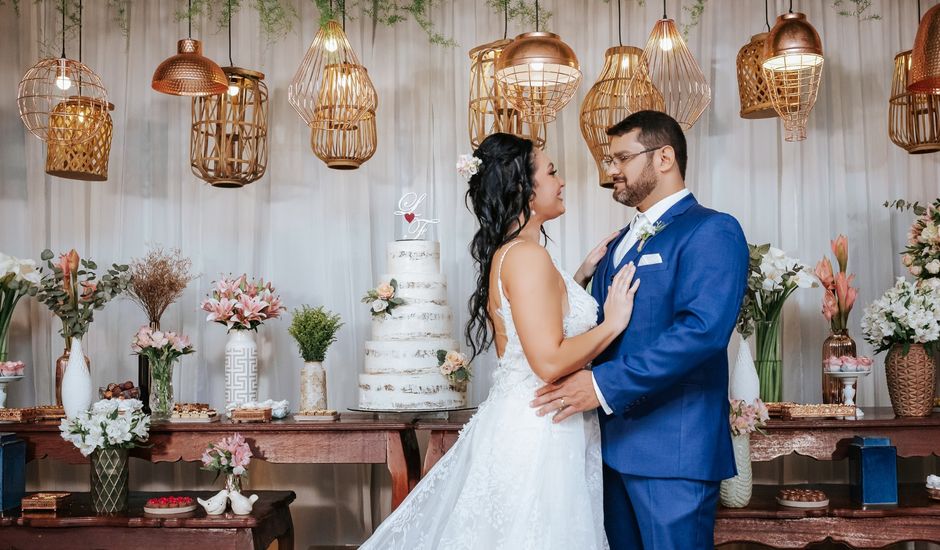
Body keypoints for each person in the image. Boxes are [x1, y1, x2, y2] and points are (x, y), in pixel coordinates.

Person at [358, 132, 639, 549]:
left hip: (533, 419)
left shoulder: (514, 253)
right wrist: (611, 324)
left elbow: (531, 335)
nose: (561, 182)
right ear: (525, 191)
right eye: (551, 172)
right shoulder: (527, 257)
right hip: (542, 429)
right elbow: (547, 361)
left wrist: (578, 277)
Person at [531, 110, 749, 550]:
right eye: (611, 160)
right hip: (607, 448)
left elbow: (702, 332)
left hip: (673, 452)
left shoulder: (712, 229)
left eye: (622, 158)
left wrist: (602, 385)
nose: (611, 171)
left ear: (664, 157)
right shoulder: (616, 244)